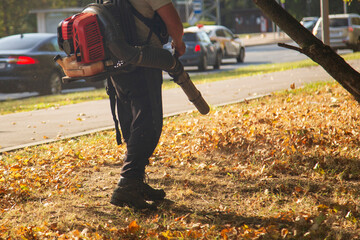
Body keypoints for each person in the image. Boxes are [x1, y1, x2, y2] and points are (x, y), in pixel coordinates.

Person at [109, 0, 186, 209]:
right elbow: (175, 25)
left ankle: (136, 182)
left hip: (118, 66)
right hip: (143, 62)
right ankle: (127, 185)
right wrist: (179, 44)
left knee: (133, 125)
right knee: (148, 125)